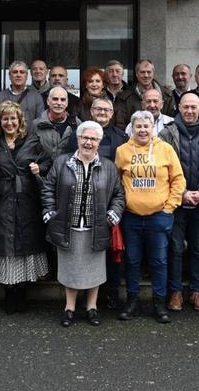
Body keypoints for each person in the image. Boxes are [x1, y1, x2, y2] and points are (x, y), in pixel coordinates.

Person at [42, 121, 125, 328]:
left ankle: (91, 308)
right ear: (78, 139)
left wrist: (113, 213)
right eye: (84, 138)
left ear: (99, 142)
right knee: (70, 270)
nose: (88, 142)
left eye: (93, 139)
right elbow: (48, 189)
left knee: (94, 271)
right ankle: (69, 308)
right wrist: (50, 212)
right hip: (67, 226)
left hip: (96, 227)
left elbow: (119, 195)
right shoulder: (62, 162)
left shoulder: (108, 166)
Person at [115, 111, 186, 323]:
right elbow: (116, 181)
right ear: (132, 128)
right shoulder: (122, 151)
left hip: (159, 217)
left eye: (147, 126)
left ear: (153, 127)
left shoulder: (166, 149)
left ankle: (159, 303)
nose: (143, 130)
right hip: (131, 217)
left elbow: (178, 180)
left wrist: (169, 208)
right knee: (132, 261)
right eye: (138, 126)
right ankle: (132, 301)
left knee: (159, 261)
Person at [64, 96, 128, 310]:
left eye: (106, 109)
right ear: (91, 111)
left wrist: (115, 210)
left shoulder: (121, 138)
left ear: (113, 113)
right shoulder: (77, 137)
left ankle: (110, 296)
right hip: (84, 206)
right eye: (98, 108)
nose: (102, 112)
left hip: (111, 207)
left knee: (112, 256)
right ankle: (82, 300)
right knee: (84, 256)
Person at [159, 93, 199, 313]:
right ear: (179, 108)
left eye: (194, 107)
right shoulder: (167, 133)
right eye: (186, 107)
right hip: (176, 202)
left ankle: (197, 292)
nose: (190, 111)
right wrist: (181, 193)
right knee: (174, 248)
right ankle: (175, 292)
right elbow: (162, 168)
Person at [0, 101, 49, 314]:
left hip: (27, 199)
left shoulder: (32, 141)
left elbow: (47, 162)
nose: (9, 123)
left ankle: (22, 294)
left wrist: (38, 168)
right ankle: (9, 294)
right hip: (4, 199)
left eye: (13, 119)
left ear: (20, 120)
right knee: (7, 246)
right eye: (5, 119)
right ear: (0, 121)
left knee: (26, 243)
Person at [114, 59, 175, 128]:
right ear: (137, 74)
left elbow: (172, 122)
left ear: (153, 73)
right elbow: (120, 124)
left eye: (149, 72)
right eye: (142, 72)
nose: (146, 75)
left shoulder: (167, 95)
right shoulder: (124, 97)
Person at [32, 86, 81, 173]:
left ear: (67, 103)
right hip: (43, 176)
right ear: (48, 101)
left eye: (62, 100)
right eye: (55, 99)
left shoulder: (77, 124)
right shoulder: (36, 125)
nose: (59, 103)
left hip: (68, 175)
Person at [0, 60, 45, 128]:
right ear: (9, 75)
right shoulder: (0, 97)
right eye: (15, 72)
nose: (18, 75)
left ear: (27, 76)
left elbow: (40, 122)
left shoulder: (36, 97)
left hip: (30, 137)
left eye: (22, 72)